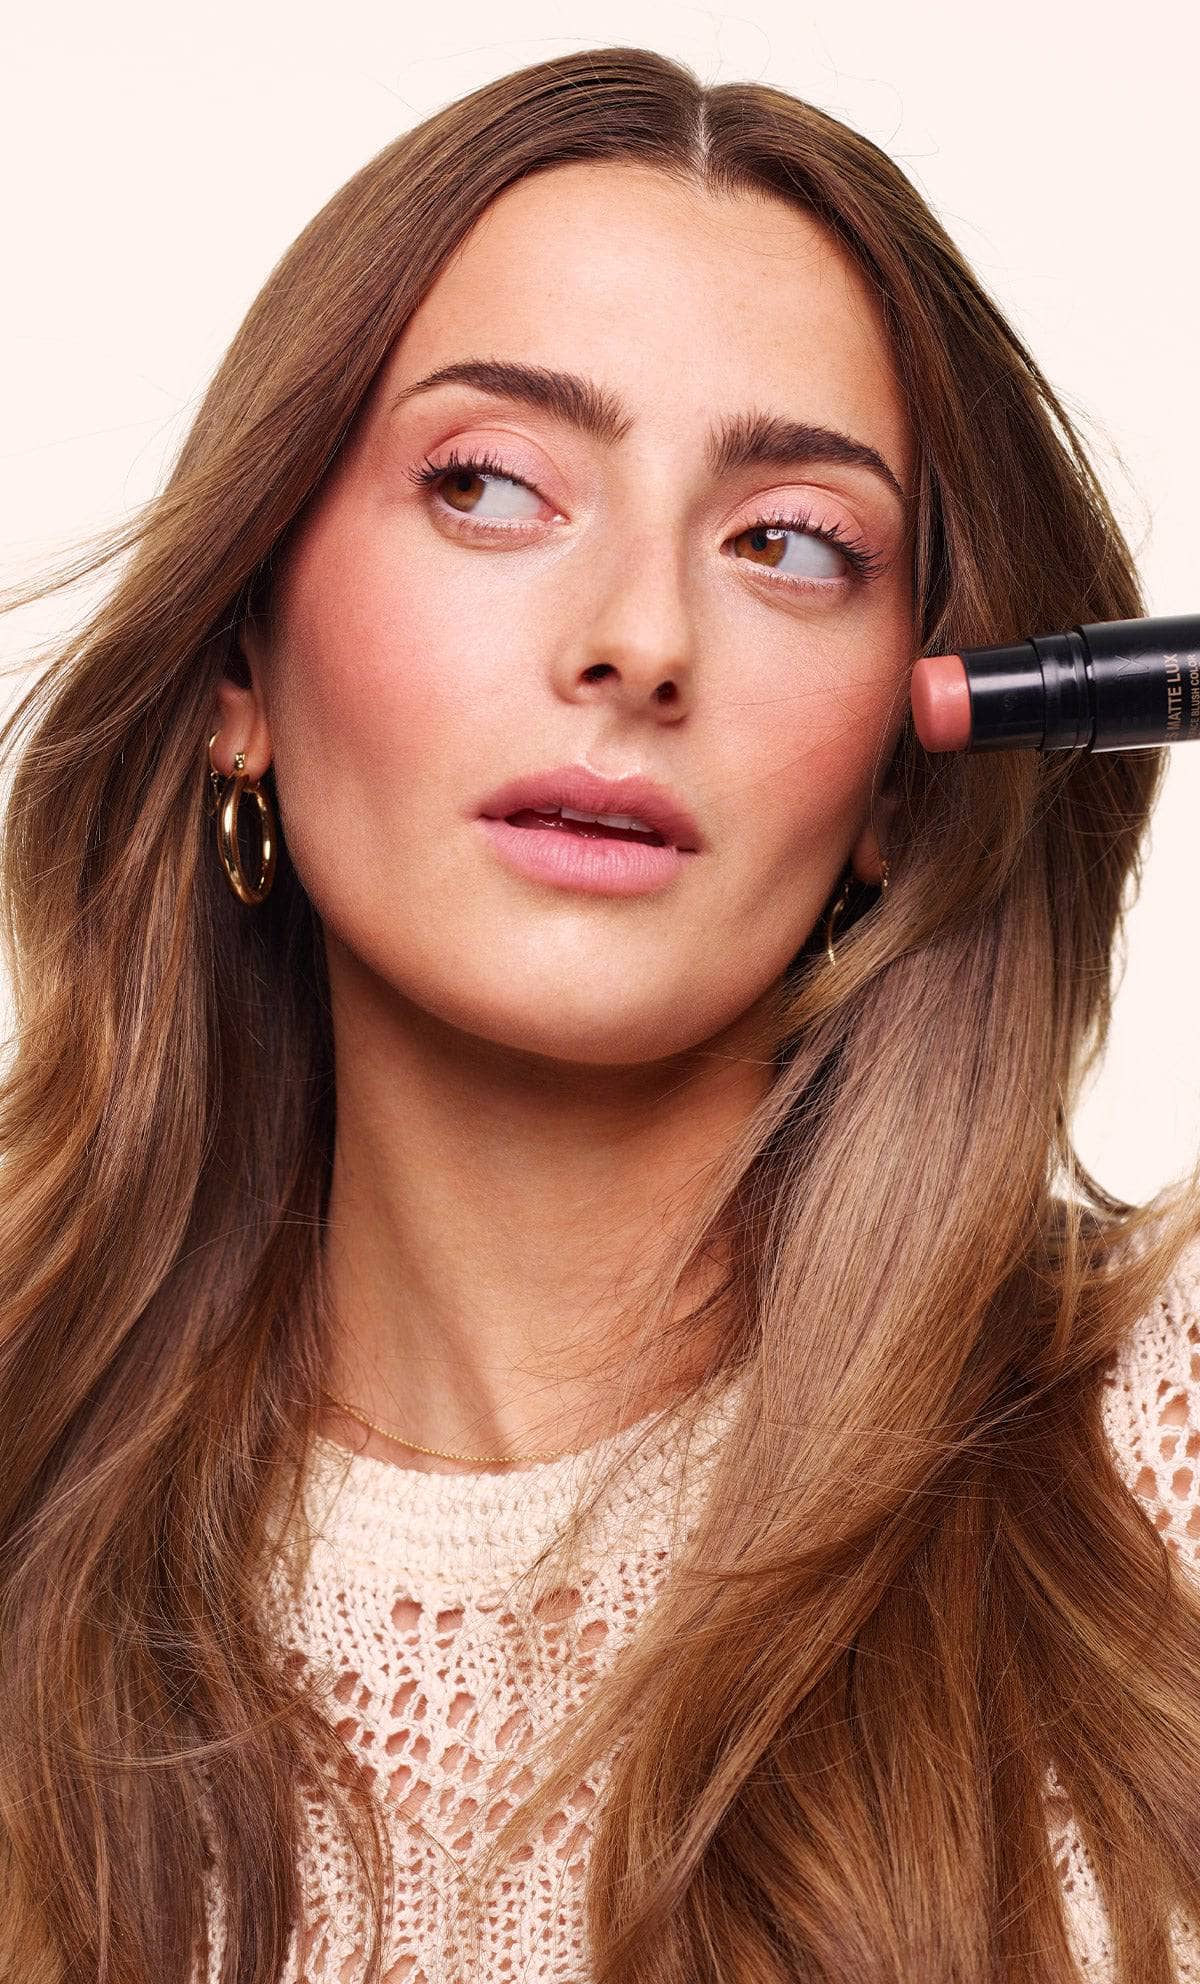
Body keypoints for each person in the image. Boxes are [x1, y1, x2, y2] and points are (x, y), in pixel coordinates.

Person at [1, 44, 1198, 1984]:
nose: (640, 641)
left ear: (904, 771)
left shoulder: (1158, 1471)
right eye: (489, 486)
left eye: (791, 542)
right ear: (240, 661)